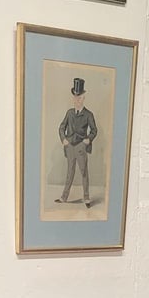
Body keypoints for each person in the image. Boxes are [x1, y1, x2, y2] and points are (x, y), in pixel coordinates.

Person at [55, 78, 98, 209]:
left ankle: (86, 198)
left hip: (80, 147)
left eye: (79, 98)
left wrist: (89, 139)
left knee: (84, 172)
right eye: (75, 97)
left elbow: (94, 130)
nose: (77, 100)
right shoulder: (69, 113)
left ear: (83, 98)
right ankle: (64, 197)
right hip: (70, 147)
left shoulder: (88, 114)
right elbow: (61, 127)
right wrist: (63, 139)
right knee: (70, 172)